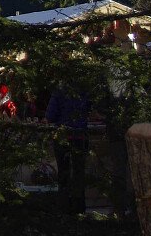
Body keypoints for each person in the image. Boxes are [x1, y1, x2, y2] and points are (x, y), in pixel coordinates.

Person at [44, 87, 91, 215]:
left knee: (63, 172)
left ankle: (64, 207)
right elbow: (91, 110)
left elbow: (50, 115)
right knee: (78, 172)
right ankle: (79, 207)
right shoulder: (84, 90)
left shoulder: (59, 91)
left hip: (62, 136)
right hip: (80, 136)